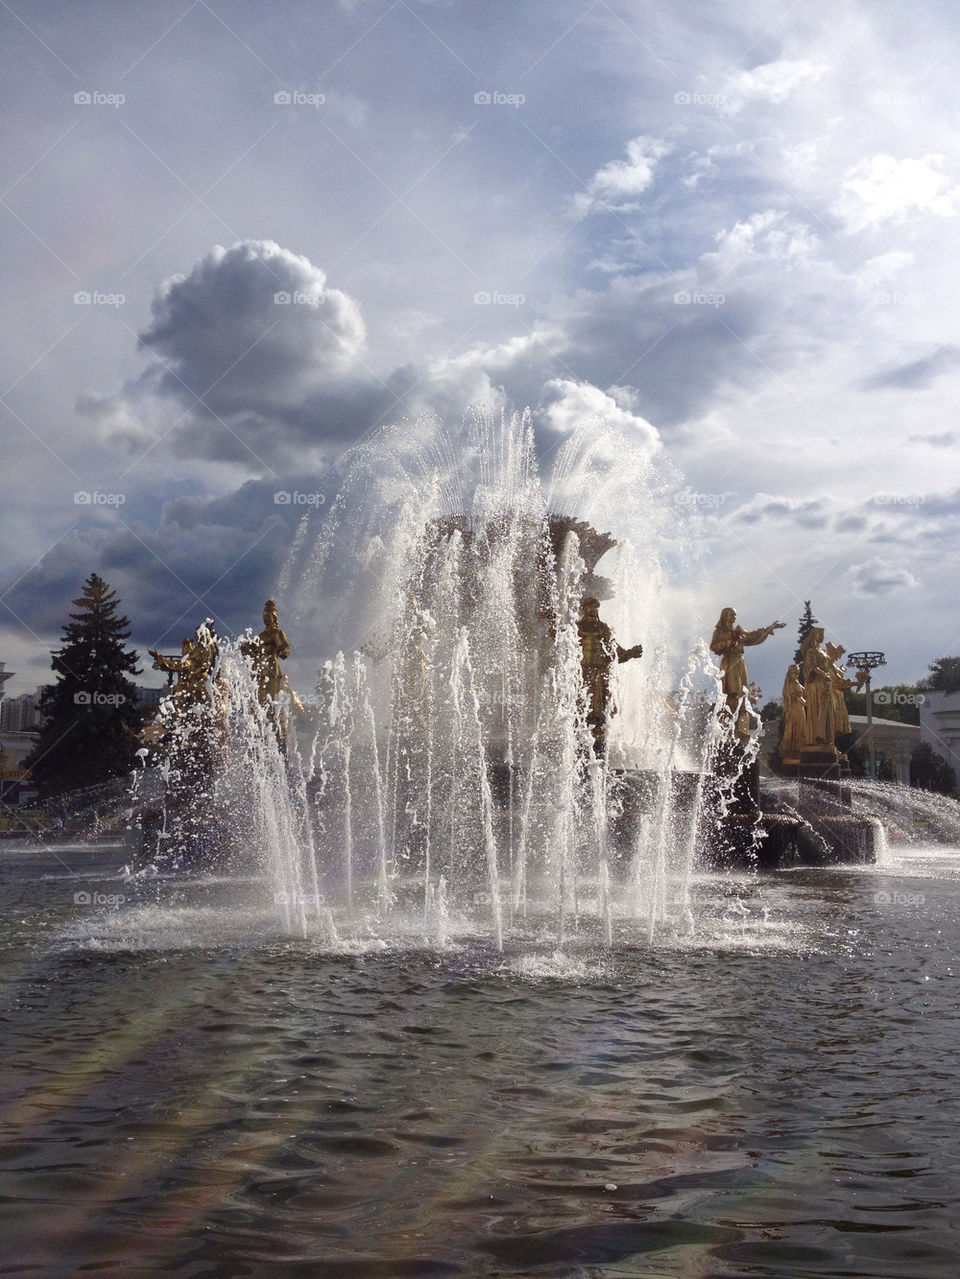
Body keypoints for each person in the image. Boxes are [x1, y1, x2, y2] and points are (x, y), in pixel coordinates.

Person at [577, 596, 642, 753]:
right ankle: (579, 738)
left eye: (597, 607)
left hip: (600, 674)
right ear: (584, 608)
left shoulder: (603, 628)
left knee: (600, 710)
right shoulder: (577, 627)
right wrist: (551, 621)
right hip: (583, 673)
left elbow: (616, 652)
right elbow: (559, 637)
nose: (594, 610)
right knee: (581, 707)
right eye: (591, 607)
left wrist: (630, 653)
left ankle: (599, 740)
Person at [710, 608, 785, 742]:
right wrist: (728, 642)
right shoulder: (720, 632)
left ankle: (741, 728)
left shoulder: (738, 632)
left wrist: (769, 628)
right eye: (731, 614)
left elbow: (753, 636)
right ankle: (728, 728)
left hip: (740, 663)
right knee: (732, 693)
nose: (734, 617)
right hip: (729, 662)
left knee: (742, 695)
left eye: (735, 615)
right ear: (724, 616)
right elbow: (714, 647)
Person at [781, 663, 807, 758]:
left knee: (800, 727)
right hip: (796, 708)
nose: (797, 672)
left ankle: (797, 746)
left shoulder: (796, 682)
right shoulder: (793, 683)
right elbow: (796, 696)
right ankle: (795, 747)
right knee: (798, 727)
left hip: (799, 708)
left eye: (798, 670)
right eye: (795, 670)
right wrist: (807, 703)